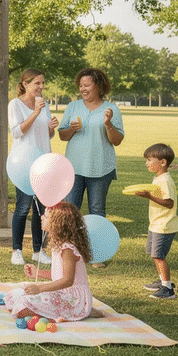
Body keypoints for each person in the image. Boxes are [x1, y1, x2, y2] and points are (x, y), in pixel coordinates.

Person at [58, 68, 124, 268]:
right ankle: (67, 254)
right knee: (70, 211)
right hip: (74, 167)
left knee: (97, 211)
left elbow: (117, 140)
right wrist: (71, 129)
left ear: (99, 86)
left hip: (101, 167)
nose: (82, 89)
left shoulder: (111, 108)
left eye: (87, 85)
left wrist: (108, 123)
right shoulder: (73, 106)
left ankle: (97, 255)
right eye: (80, 85)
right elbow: (62, 135)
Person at [3, 202, 102, 321]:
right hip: (60, 294)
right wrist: (37, 273)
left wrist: (39, 289)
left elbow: (67, 280)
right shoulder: (58, 245)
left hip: (73, 299)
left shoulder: (68, 249)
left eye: (45, 216)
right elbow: (58, 275)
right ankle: (67, 313)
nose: (41, 218)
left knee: (21, 307)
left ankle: (76, 312)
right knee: (14, 295)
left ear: (57, 223)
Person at [8, 69, 60, 266]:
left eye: (42, 83)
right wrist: (36, 112)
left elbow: (45, 134)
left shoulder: (43, 104)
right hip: (23, 162)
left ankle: (39, 250)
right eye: (36, 83)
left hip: (43, 162)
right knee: (22, 207)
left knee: (41, 209)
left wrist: (51, 127)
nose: (40, 87)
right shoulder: (15, 104)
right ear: (25, 84)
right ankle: (17, 250)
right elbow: (17, 132)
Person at [135, 143, 178, 300]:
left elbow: (169, 203)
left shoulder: (165, 180)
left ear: (162, 162)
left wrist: (150, 197)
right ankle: (162, 281)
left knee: (159, 256)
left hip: (164, 225)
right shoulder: (158, 178)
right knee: (154, 254)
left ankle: (167, 288)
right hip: (156, 224)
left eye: (149, 160)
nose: (146, 163)